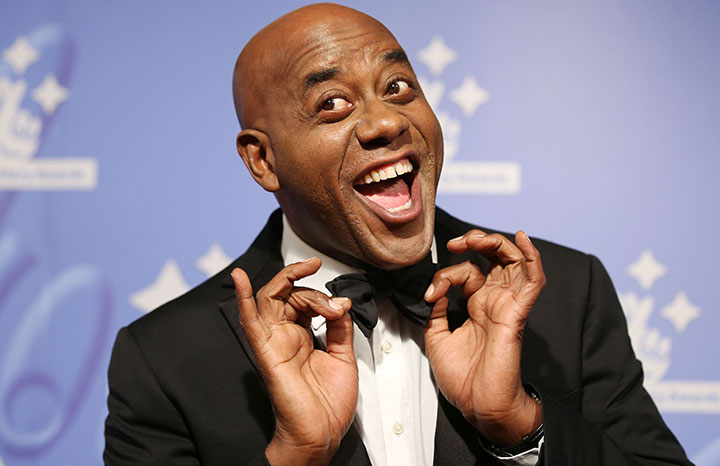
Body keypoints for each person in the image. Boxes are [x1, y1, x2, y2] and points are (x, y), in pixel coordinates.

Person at [103, 3, 692, 465]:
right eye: (332, 103)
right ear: (263, 160)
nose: (386, 120)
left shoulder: (564, 292)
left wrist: (519, 426)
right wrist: (295, 458)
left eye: (398, 87)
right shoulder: (165, 358)